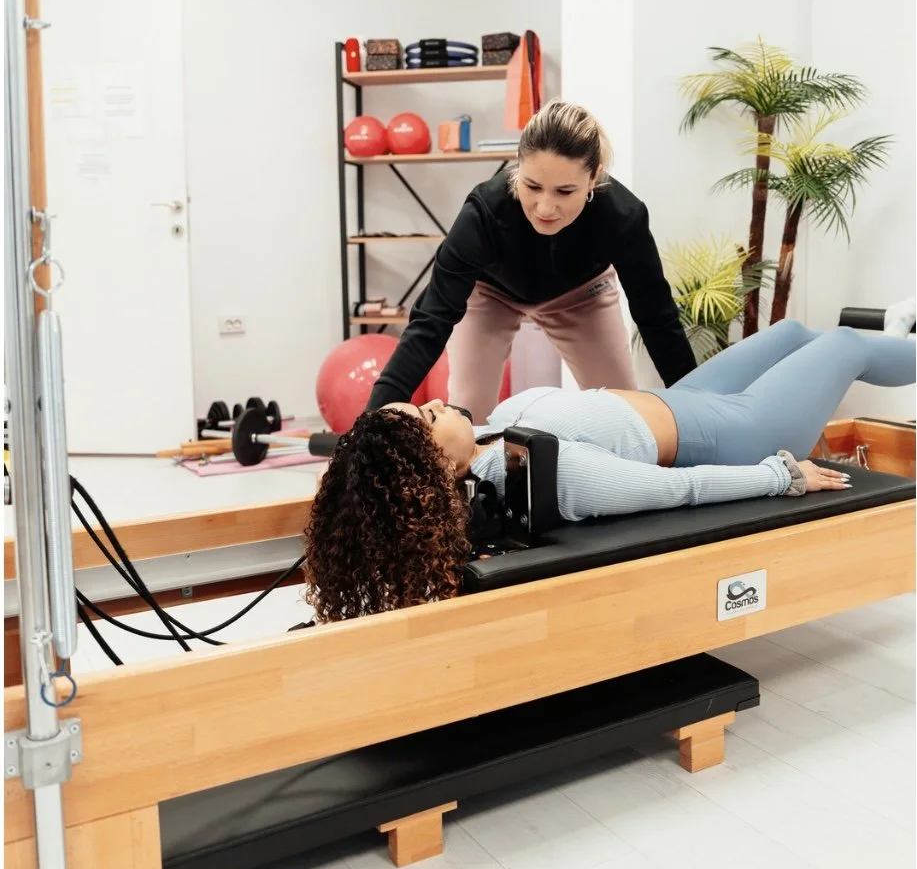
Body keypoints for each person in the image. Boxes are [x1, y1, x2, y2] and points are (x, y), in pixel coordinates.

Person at [303, 320, 915, 622]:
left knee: (792, 333)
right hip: (739, 431)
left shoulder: (494, 429)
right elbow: (680, 489)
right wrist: (783, 476)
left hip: (686, 400)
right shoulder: (544, 473)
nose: (437, 401)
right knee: (843, 344)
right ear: (436, 464)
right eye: (430, 417)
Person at [364, 99, 696, 422]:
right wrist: (366, 426)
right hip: (490, 292)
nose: (544, 207)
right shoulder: (484, 213)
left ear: (594, 177)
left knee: (620, 414)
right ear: (518, 166)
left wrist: (699, 410)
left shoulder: (623, 217)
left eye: (564, 191)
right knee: (467, 416)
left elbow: (657, 317)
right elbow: (430, 320)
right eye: (532, 186)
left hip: (582, 294)